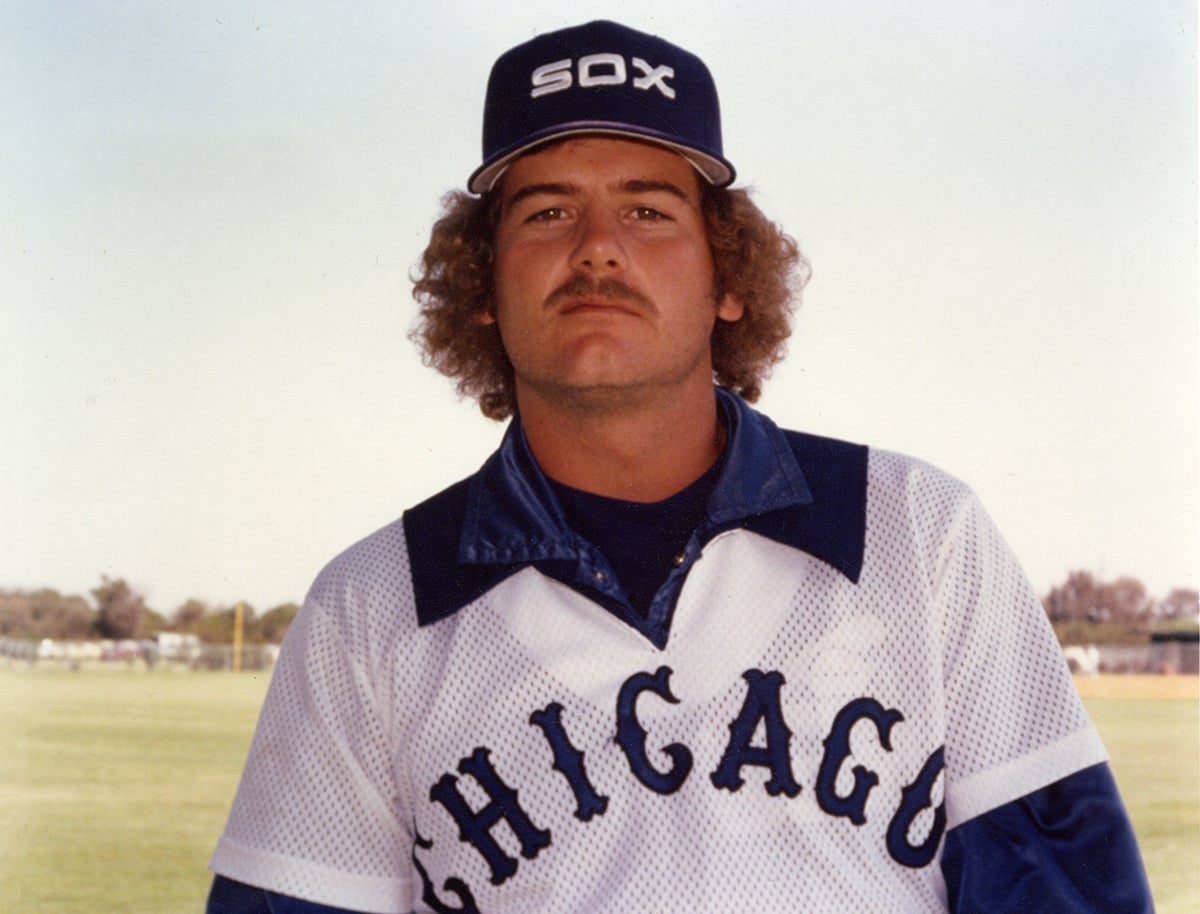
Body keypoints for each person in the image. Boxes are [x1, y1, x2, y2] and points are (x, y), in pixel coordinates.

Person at [207, 20, 1153, 914]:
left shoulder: (918, 529)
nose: (597, 249)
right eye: (546, 212)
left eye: (649, 211)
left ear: (729, 279)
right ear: (484, 287)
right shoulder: (373, 607)